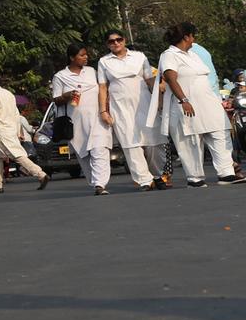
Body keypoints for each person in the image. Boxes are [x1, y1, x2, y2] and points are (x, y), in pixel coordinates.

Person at [159, 24, 238, 186]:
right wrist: (184, 100)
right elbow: (170, 78)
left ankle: (226, 173)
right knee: (191, 141)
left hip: (208, 103)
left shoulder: (193, 55)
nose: (194, 39)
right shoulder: (169, 55)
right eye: (192, 36)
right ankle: (195, 178)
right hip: (187, 105)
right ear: (186, 37)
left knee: (219, 134)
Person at [95, 32, 161, 190]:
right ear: (107, 44)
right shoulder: (104, 62)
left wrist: (159, 100)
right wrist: (103, 111)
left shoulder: (139, 57)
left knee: (154, 142)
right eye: (111, 41)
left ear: (124, 41)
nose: (116, 43)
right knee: (130, 145)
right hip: (120, 107)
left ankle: (157, 175)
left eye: (119, 40)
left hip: (144, 103)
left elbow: (149, 79)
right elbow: (103, 87)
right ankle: (144, 180)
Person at [50, 45, 114, 195]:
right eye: (82, 55)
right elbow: (56, 100)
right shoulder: (60, 76)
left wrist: (106, 110)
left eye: (86, 55)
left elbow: (103, 90)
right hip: (77, 122)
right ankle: (95, 183)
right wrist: (67, 96)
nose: (86, 58)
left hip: (98, 118)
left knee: (100, 150)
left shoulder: (92, 72)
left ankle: (100, 184)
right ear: (72, 58)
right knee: (84, 154)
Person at [0, 73, 49, 192]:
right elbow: (16, 114)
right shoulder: (8, 94)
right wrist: (17, 131)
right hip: (9, 129)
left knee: (17, 156)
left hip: (2, 131)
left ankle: (40, 174)